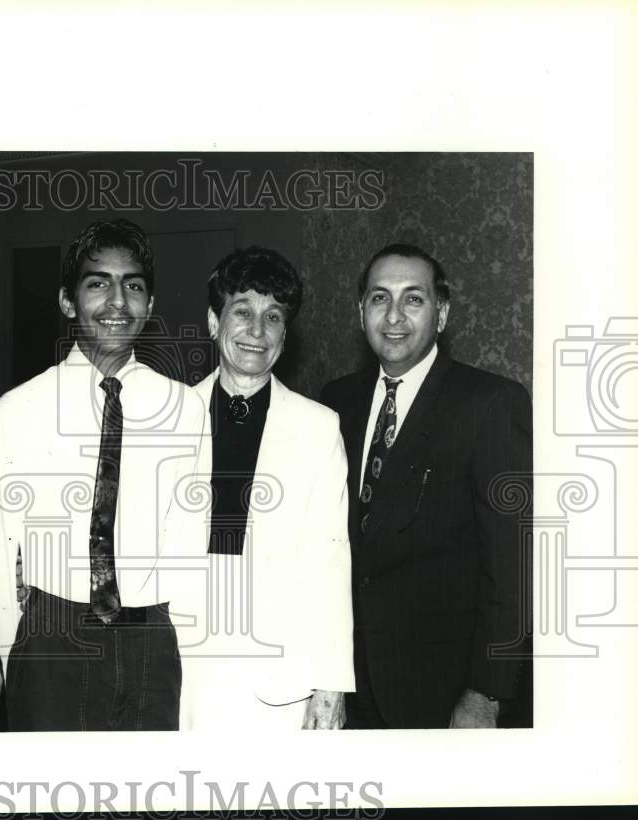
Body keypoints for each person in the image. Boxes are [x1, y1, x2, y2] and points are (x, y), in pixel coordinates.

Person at [0, 218, 206, 731]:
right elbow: (1, 551)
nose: (117, 301)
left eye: (133, 286)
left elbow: (189, 542)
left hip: (150, 636)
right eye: (97, 284)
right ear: (67, 301)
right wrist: (14, 656)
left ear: (150, 305)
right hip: (50, 636)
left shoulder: (184, 407)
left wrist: (185, 657)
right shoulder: (18, 409)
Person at [319, 243, 531, 729]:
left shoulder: (490, 404)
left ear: (442, 314)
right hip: (350, 684)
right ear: (360, 311)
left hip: (445, 690)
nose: (394, 316)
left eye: (413, 299)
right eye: (379, 298)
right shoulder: (336, 401)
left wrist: (486, 693)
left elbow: (513, 566)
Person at [180, 246, 354, 731]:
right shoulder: (168, 418)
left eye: (273, 316)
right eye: (242, 312)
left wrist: (331, 682)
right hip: (182, 673)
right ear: (213, 321)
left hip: (280, 681)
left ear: (285, 334)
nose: (257, 331)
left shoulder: (319, 427)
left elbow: (331, 560)